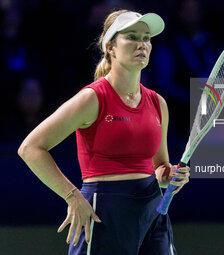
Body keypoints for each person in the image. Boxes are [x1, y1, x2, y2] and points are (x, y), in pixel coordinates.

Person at [18, 9, 190, 255]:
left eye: (146, 38)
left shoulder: (157, 103)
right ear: (110, 47)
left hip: (153, 212)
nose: (142, 44)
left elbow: (159, 168)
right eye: (132, 36)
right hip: (104, 212)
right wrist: (72, 196)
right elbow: (30, 148)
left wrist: (170, 175)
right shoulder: (92, 98)